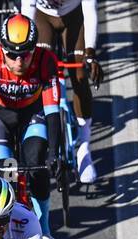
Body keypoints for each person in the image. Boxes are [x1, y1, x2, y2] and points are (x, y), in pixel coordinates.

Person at [0, 12, 62, 232]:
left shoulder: (46, 60)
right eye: (12, 55)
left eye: (25, 54)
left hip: (32, 115)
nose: (19, 61)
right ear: (2, 49)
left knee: (36, 162)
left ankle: (44, 224)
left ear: (35, 50)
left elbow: (52, 112)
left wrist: (55, 153)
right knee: (6, 174)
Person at [23, 0, 101, 182]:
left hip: (74, 16)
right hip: (42, 18)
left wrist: (90, 55)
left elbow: (90, 10)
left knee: (80, 77)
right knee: (36, 75)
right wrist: (26, 53)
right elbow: (28, 11)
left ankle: (84, 147)